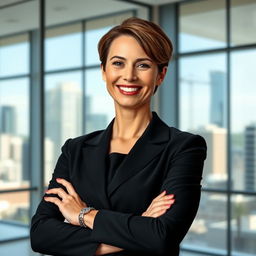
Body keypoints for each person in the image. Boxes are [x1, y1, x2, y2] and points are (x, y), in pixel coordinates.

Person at [30, 17, 207, 256]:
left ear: (161, 75)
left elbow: (162, 236)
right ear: (104, 71)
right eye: (118, 63)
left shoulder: (184, 147)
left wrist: (83, 215)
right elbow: (41, 234)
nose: (129, 76)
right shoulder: (75, 149)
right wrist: (138, 225)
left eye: (143, 65)